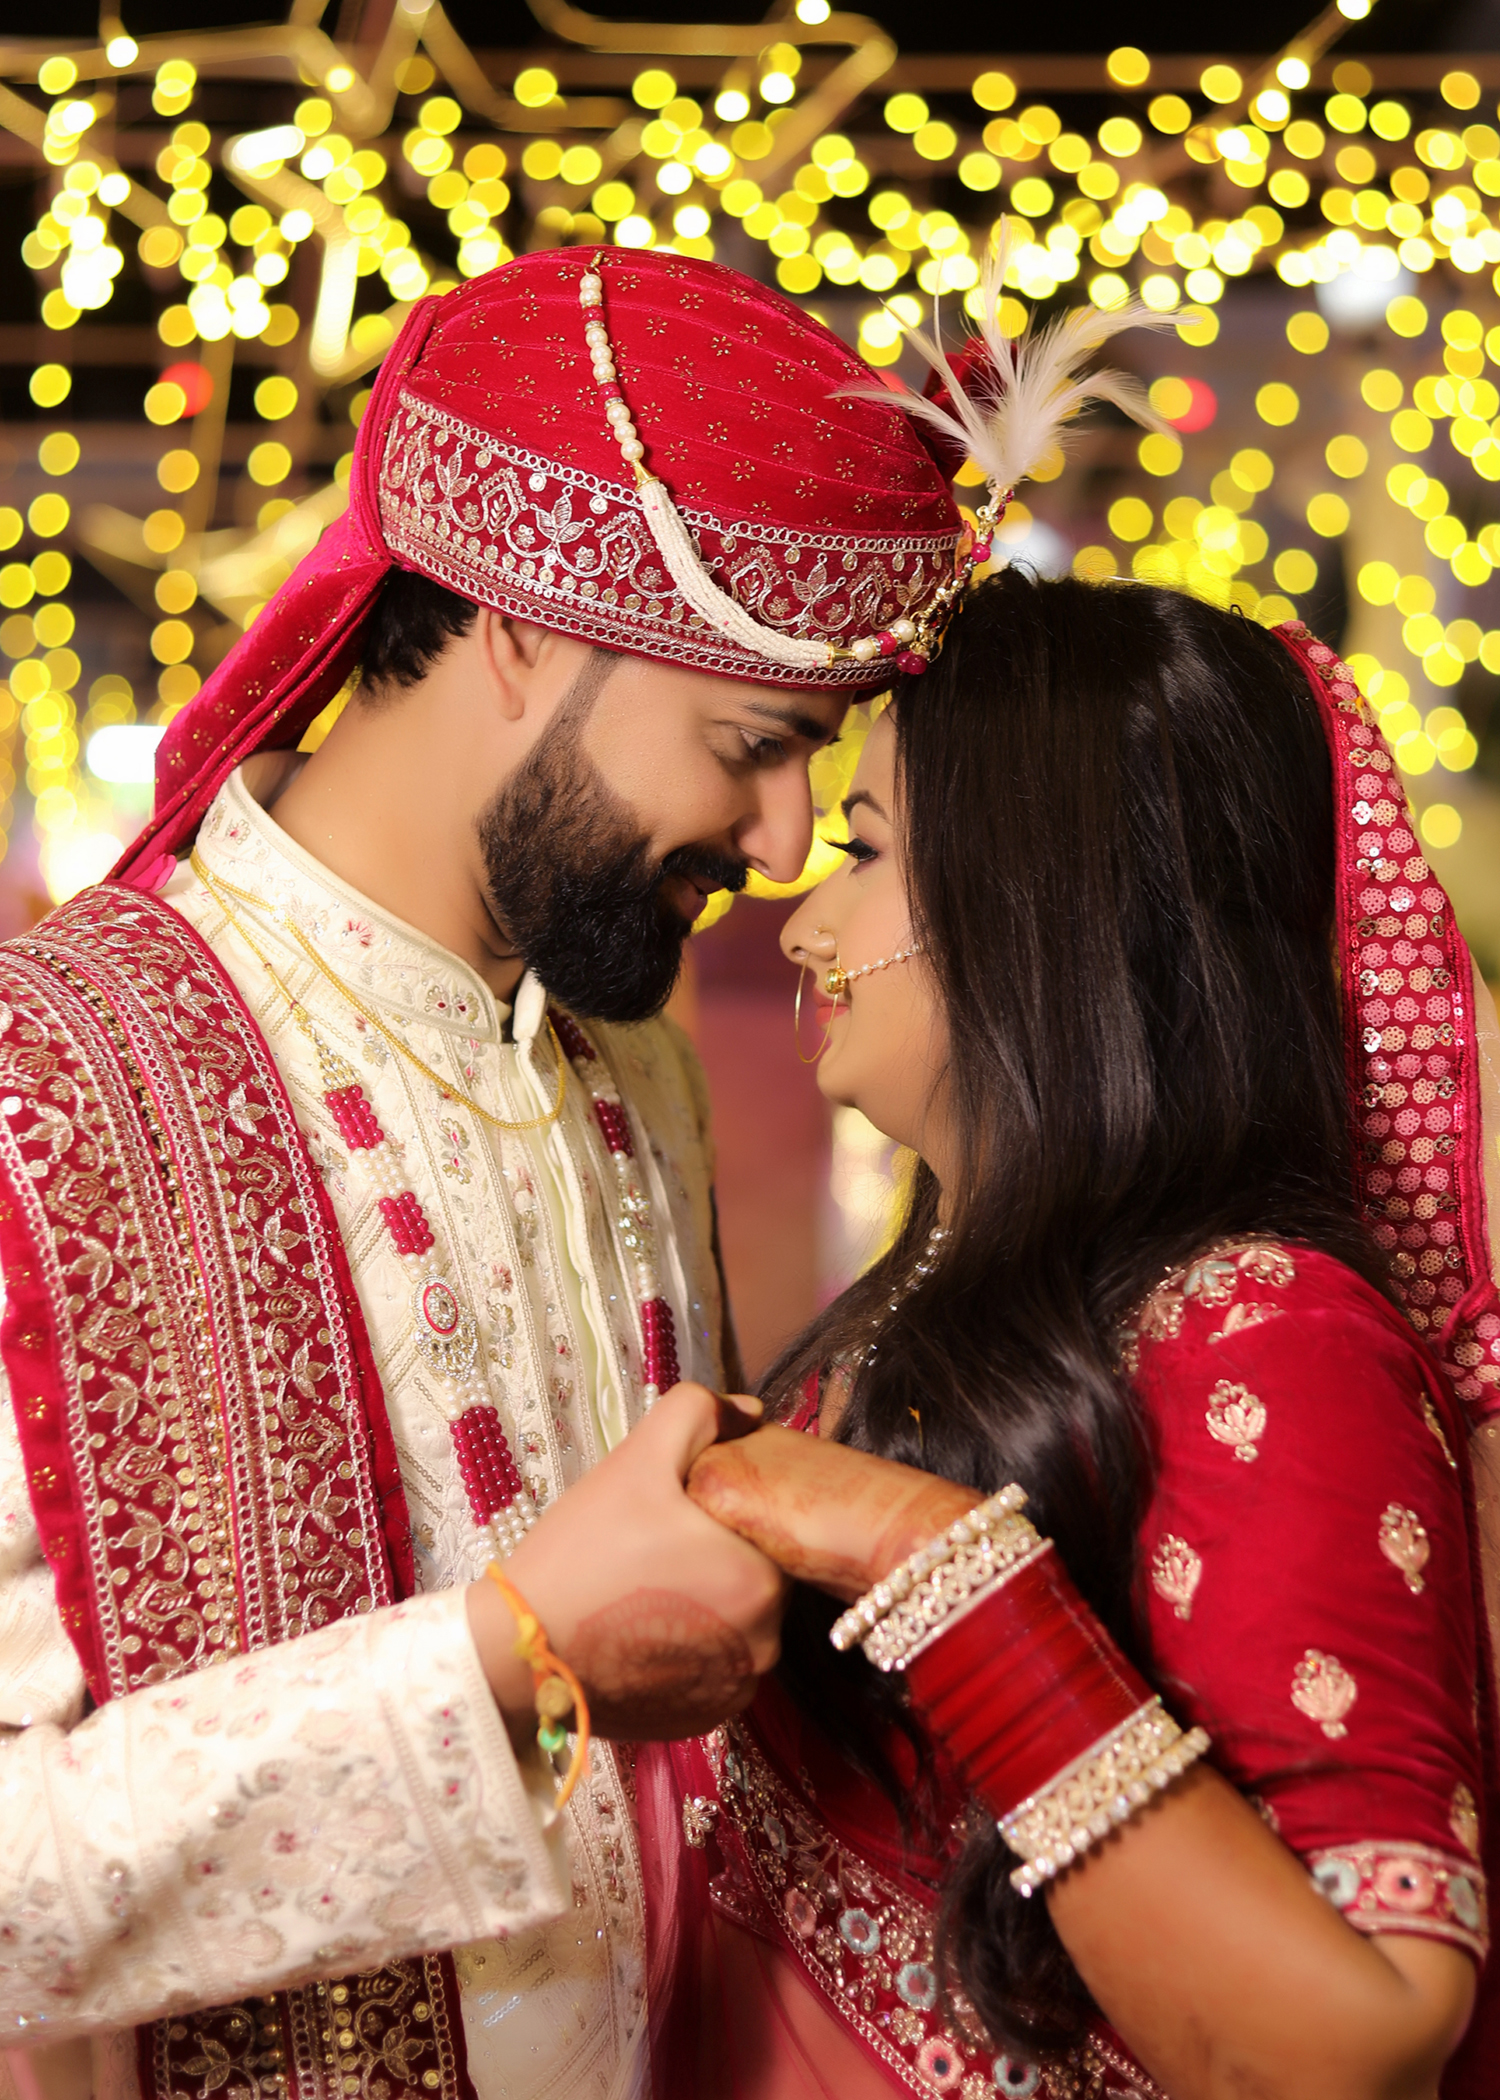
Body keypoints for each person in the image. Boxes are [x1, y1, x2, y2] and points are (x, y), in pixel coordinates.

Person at [0, 245, 988, 2100]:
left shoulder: (632, 1059)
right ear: (518, 630)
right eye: (750, 746)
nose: (784, 839)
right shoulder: (44, 1095)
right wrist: (512, 1664)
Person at [657, 570, 1500, 2100]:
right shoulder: (931, 1310)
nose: (807, 924)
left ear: (1048, 899)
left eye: (866, 852)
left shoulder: (1264, 1333)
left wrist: (928, 1559)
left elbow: (1351, 2046)